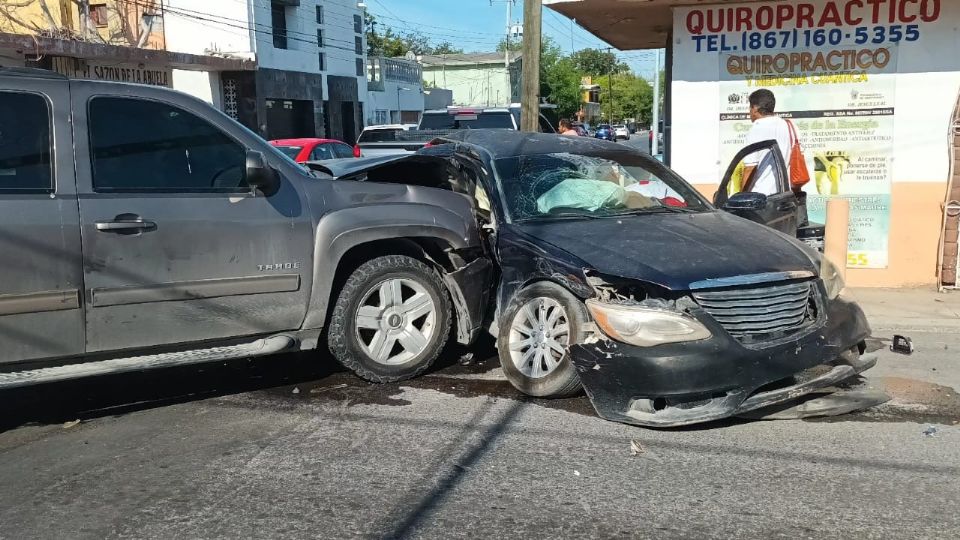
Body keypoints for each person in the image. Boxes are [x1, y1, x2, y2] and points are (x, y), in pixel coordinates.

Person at [742, 89, 792, 195]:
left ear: (755, 109)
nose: (749, 111)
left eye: (750, 107)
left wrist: (741, 196)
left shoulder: (756, 129)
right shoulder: (789, 125)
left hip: (760, 197)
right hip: (785, 195)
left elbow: (750, 169)